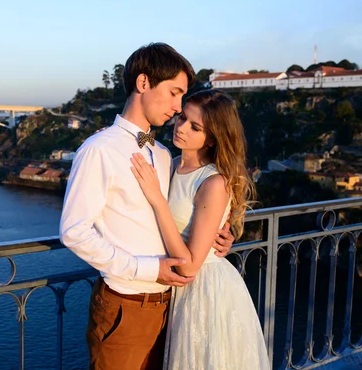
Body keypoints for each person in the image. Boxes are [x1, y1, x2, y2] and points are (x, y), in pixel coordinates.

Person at [59, 43, 235, 369]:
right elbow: (74, 232)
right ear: (143, 84)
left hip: (173, 306)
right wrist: (148, 269)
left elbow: (177, 214)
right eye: (173, 93)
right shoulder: (100, 149)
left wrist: (219, 237)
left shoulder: (165, 154)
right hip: (126, 305)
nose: (177, 107)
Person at [130, 89, 270, 369]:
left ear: (213, 138)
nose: (181, 128)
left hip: (204, 291)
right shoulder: (171, 162)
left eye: (195, 127)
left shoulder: (213, 183)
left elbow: (190, 266)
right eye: (182, 118)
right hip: (174, 289)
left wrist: (158, 200)